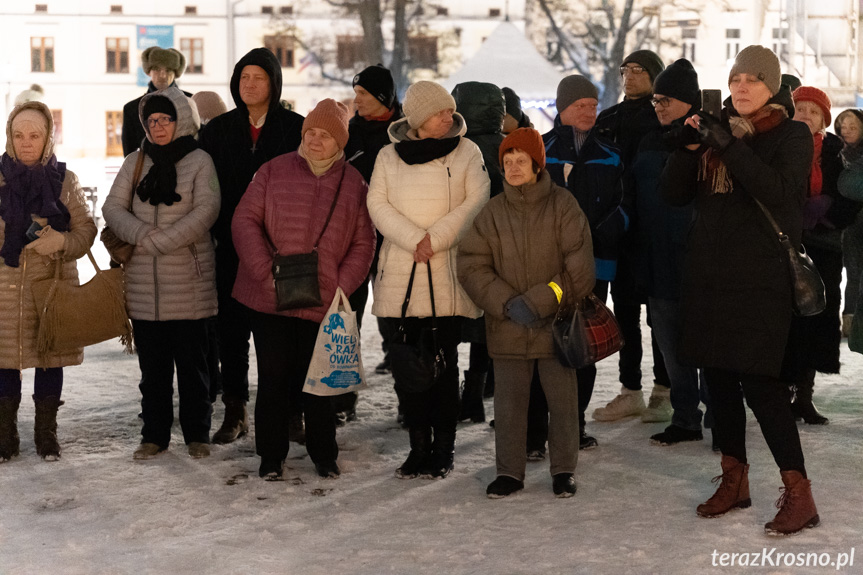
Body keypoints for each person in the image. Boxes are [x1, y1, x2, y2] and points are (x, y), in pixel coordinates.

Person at [661, 45, 819, 536]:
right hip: (711, 277)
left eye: (753, 79)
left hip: (761, 281)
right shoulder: (716, 133)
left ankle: (800, 495)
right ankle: (735, 480)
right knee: (720, 384)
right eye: (735, 79)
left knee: (763, 388)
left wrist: (728, 144)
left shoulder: (792, 134)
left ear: (772, 87)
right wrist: (689, 149)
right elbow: (673, 194)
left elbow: (777, 191)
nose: (742, 87)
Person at [231, 99, 374, 480]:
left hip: (323, 298)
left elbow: (365, 243)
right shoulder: (272, 171)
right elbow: (244, 221)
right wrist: (265, 272)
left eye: (325, 135)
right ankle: (271, 457)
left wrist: (339, 286)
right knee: (274, 378)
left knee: (321, 382)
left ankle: (324, 454)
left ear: (339, 142)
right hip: (268, 296)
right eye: (310, 131)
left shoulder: (354, 184)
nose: (314, 140)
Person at [458, 127, 594, 498]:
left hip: (556, 326)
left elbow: (579, 269)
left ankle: (563, 469)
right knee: (509, 405)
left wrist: (538, 302)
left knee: (563, 405)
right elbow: (471, 264)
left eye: (521, 161)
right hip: (507, 326)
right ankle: (509, 472)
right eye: (507, 161)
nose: (514, 168)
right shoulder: (491, 213)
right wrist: (505, 302)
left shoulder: (564, 205)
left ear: (537, 164)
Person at [368, 80, 490, 479]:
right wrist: (412, 239)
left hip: (445, 271)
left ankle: (444, 448)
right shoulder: (388, 156)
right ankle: (418, 447)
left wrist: (433, 240)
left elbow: (477, 200)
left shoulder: (467, 151)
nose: (448, 117)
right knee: (408, 369)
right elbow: (377, 203)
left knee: (444, 366)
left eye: (450, 110)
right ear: (418, 118)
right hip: (402, 273)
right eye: (439, 112)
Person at [103, 87, 219, 460]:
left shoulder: (200, 161)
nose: (158, 126)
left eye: (165, 118)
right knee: (152, 372)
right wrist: (142, 235)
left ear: (181, 119)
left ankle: (197, 434)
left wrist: (156, 242)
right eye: (151, 120)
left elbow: (206, 212)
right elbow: (112, 208)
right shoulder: (135, 162)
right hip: (143, 286)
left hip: (188, 281)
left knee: (193, 368)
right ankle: (153, 435)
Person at [198, 48, 304, 445]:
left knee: (285, 334)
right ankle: (236, 409)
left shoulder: (296, 128)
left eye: (259, 77)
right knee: (231, 332)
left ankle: (292, 412)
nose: (250, 85)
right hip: (230, 247)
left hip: (285, 249)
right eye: (244, 77)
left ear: (274, 83)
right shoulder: (217, 130)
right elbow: (207, 189)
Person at [532, 75, 626, 452]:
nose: (588, 111)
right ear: (561, 109)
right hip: (545, 267)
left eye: (592, 104)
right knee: (543, 345)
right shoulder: (540, 149)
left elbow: (624, 205)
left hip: (594, 265)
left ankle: (573, 423)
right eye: (580, 105)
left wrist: (599, 235)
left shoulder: (611, 151)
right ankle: (537, 428)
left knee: (582, 343)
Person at [0, 101, 97, 462]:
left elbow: (86, 230)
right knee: (4, 359)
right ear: (9, 137)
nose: (26, 143)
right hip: (4, 286)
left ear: (47, 139)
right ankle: (4, 434)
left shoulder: (64, 180)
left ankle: (46, 434)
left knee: (48, 358)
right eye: (18, 135)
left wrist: (61, 241)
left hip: (50, 284)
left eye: (35, 135)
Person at [631, 59, 711, 446]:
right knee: (670, 348)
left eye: (666, 99)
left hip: (700, 261)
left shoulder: (710, 138)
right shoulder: (649, 140)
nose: (658, 105)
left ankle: (718, 416)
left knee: (708, 346)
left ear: (687, 102)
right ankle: (685, 418)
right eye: (656, 99)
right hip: (657, 259)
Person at [593, 50, 673, 423]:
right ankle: (630, 390)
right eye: (625, 69)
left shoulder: (664, 118)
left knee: (659, 313)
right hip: (617, 231)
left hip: (654, 230)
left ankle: (664, 389)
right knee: (624, 311)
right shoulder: (607, 118)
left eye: (638, 70)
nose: (629, 76)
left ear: (655, 76)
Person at [782, 87, 859, 425]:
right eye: (801, 109)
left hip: (824, 246)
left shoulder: (835, 151)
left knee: (815, 317)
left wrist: (826, 210)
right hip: (785, 244)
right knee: (784, 320)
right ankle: (780, 394)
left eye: (815, 111)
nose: (807, 116)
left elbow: (851, 199)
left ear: (825, 119)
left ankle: (805, 394)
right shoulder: (781, 145)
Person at [339, 64, 403, 425]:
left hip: (394, 242)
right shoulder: (349, 133)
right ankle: (342, 399)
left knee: (396, 321)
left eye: (363, 94)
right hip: (352, 241)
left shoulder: (402, 134)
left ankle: (408, 398)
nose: (356, 100)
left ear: (381, 97)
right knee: (345, 320)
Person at [451, 80, 507, 424]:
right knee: (488, 329)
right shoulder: (508, 147)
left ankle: (464, 397)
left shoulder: (458, 151)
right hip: (500, 252)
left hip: (461, 248)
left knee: (453, 324)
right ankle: (477, 392)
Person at [122, 47, 190, 157]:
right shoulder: (132, 109)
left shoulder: (191, 103)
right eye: (157, 69)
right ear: (149, 71)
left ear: (176, 72)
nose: (163, 75)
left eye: (168, 70)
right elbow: (129, 157)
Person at [836, 109, 863, 337]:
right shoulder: (836, 152)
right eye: (843, 126)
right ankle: (850, 320)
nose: (847, 131)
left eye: (853, 127)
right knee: (852, 271)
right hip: (849, 224)